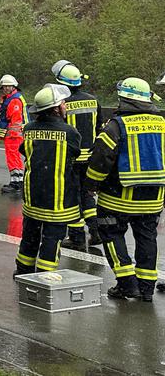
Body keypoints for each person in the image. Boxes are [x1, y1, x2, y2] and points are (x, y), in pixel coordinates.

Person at [85, 77, 164, 302]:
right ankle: (147, 288)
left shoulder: (115, 126)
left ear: (124, 99)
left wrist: (91, 185)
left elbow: (101, 160)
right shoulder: (162, 124)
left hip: (117, 198)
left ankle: (127, 285)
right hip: (153, 199)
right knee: (147, 238)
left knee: (111, 234)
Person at [14, 83, 79, 275]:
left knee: (30, 236)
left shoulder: (29, 129)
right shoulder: (70, 132)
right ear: (56, 108)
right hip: (57, 200)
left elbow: (23, 150)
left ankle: (22, 271)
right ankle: (44, 276)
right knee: (52, 240)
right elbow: (76, 157)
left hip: (33, 196)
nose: (66, 107)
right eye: (63, 104)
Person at [51, 60, 102, 249]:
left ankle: (76, 238)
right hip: (90, 158)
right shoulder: (93, 100)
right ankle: (95, 232)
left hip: (70, 158)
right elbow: (99, 128)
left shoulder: (60, 104)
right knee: (87, 194)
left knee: (72, 197)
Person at [0, 75, 28, 195]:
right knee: (15, 159)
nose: (6, 88)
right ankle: (18, 182)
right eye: (4, 86)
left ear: (14, 87)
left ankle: (15, 184)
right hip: (14, 135)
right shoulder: (11, 98)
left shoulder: (14, 100)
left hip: (14, 135)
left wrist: (9, 132)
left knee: (13, 159)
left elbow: (15, 120)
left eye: (8, 86)